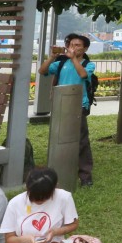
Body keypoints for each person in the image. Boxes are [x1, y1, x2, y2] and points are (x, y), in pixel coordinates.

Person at [39, 32, 96, 186]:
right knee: (60, 139)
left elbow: (83, 75)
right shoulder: (61, 63)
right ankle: (60, 171)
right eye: (71, 45)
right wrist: (52, 56)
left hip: (79, 105)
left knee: (81, 141)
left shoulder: (88, 64)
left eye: (77, 45)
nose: (73, 48)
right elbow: (42, 71)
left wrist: (74, 59)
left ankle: (85, 176)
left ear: (84, 49)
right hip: (60, 104)